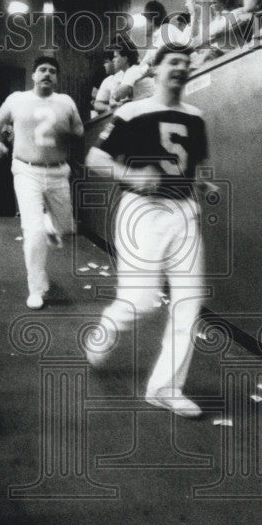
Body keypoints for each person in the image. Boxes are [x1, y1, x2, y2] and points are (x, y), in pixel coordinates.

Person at [84, 45, 209, 418]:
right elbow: (94, 159)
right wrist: (132, 175)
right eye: (173, 62)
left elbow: (192, 167)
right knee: (140, 301)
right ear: (154, 70)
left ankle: (165, 388)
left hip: (184, 212)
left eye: (186, 63)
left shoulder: (196, 117)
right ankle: (103, 335)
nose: (181, 68)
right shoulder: (132, 111)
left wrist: (203, 185)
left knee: (189, 300)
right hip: (142, 213)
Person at [0, 55, 84, 309]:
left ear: (57, 78)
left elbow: (79, 130)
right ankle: (36, 289)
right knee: (33, 233)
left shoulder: (65, 102)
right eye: (42, 70)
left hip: (58, 171)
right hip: (26, 170)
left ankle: (51, 224)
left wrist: (68, 129)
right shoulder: (17, 99)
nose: (47, 74)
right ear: (33, 75)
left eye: (52, 71)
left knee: (65, 226)